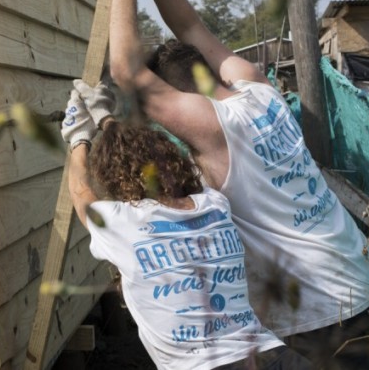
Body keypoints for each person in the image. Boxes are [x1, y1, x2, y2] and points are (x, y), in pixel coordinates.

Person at [97, 0, 369, 368]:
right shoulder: (258, 88)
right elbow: (191, 28)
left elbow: (126, 74)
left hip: (313, 314)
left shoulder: (214, 128)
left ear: (187, 99)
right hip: (353, 279)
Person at [60, 84, 313, 370]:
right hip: (272, 357)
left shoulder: (121, 222)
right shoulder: (214, 204)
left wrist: (78, 136)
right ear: (174, 160)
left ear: (114, 178)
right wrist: (106, 118)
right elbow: (147, 157)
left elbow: (80, 192)